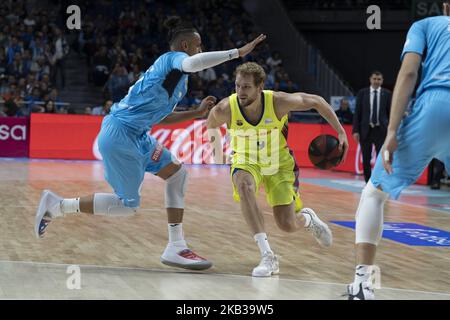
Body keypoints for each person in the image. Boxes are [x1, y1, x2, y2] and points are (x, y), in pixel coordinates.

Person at [35, 16, 266, 271]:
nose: (201, 50)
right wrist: (237, 52)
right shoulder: (171, 60)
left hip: (139, 135)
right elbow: (194, 62)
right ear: (186, 45)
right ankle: (57, 206)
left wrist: (196, 113)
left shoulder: (179, 80)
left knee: (177, 174)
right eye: (198, 45)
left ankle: (176, 246)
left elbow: (162, 117)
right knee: (126, 207)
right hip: (120, 135)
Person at [346, 2, 450, 300]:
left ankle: (363, 283)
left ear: (445, 6)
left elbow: (407, 75)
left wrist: (391, 132)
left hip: (435, 104)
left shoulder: (426, 25)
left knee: (374, 193)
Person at [206, 62, 349, 277]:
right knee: (244, 187)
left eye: (246, 87)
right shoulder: (226, 108)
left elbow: (317, 102)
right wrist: (219, 155)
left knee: (287, 225)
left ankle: (308, 218)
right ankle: (267, 256)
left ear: (260, 86)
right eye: (237, 86)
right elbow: (211, 122)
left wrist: (341, 132)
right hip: (246, 160)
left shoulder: (278, 102)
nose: (240, 92)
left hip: (278, 163)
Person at [352, 71, 392, 182]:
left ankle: (379, 181)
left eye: (379, 79)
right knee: (366, 158)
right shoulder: (362, 93)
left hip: (381, 130)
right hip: (366, 130)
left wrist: (391, 131)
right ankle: (368, 182)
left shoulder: (387, 94)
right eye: (374, 79)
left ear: (382, 81)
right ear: (370, 79)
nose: (376, 81)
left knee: (382, 158)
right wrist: (355, 131)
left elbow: (390, 113)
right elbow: (357, 113)